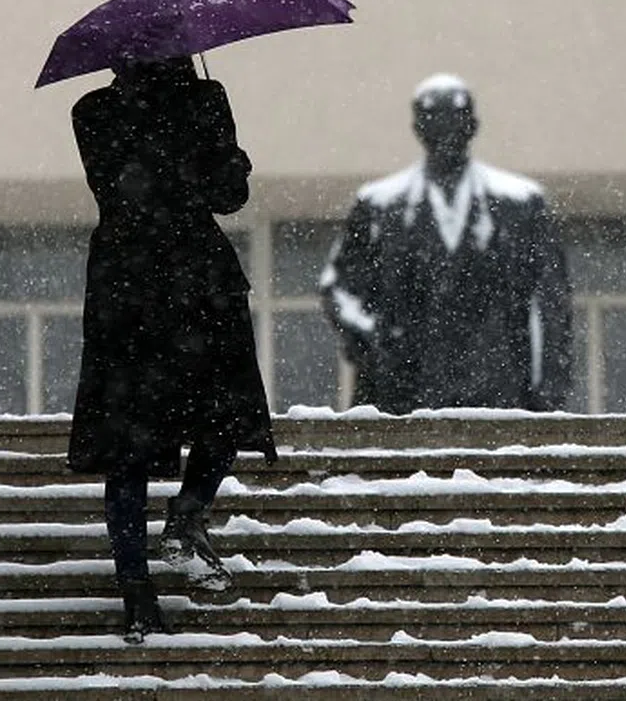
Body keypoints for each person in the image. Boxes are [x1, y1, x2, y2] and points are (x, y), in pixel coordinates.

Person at [66, 55, 277, 643]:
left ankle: (140, 590)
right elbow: (223, 196)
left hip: (130, 283)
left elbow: (133, 190)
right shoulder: (202, 101)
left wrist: (218, 164)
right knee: (220, 413)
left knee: (132, 446)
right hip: (187, 277)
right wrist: (227, 161)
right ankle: (182, 521)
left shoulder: (95, 110)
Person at [320, 73, 573, 414]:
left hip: (499, 396)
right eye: (434, 125)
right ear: (417, 130)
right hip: (404, 396)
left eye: (455, 123)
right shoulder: (380, 206)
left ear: (473, 127)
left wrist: (548, 395)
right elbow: (338, 288)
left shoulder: (521, 205)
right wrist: (374, 341)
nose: (445, 135)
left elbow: (551, 305)